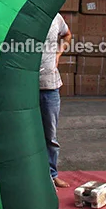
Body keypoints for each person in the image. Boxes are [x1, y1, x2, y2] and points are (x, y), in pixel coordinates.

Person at [40, 13, 72, 188]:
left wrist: (58, 54)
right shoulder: (22, 15)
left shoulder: (55, 17)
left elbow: (67, 35)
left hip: (49, 86)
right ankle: (31, 178)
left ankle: (52, 175)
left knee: (50, 136)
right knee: (24, 135)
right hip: (24, 88)